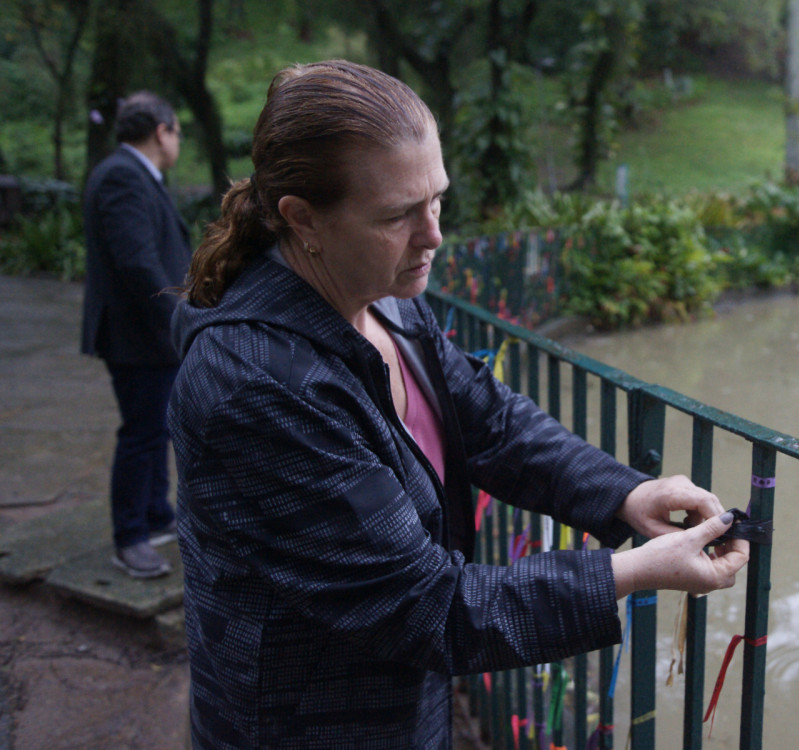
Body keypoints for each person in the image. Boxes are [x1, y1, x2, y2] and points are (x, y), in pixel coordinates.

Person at [168, 60, 749, 749]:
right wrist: (630, 572)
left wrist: (627, 494)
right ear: (302, 219)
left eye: (437, 199)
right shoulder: (258, 385)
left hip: (399, 704)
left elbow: (488, 419)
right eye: (397, 215)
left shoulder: (380, 295)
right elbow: (427, 608)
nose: (434, 234)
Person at [82, 91, 190, 578]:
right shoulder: (124, 176)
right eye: (178, 133)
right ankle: (129, 538)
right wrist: (180, 317)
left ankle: (157, 516)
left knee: (156, 428)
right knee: (143, 434)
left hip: (146, 334)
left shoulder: (138, 175)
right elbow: (138, 263)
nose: (178, 143)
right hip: (137, 335)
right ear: (161, 131)